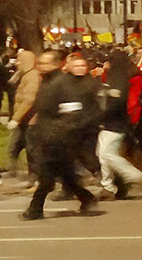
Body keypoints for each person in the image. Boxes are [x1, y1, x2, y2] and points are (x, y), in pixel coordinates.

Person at [21, 52, 98, 220]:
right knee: (65, 175)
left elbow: (72, 111)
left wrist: (59, 131)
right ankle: (86, 197)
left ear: (56, 65)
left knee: (46, 175)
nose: (41, 66)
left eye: (45, 63)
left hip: (59, 138)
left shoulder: (62, 83)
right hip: (47, 136)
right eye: (40, 63)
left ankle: (35, 209)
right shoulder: (47, 82)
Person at [96, 51, 142, 201]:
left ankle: (131, 175)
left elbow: (122, 100)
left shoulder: (120, 77)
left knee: (106, 153)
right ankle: (109, 186)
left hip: (116, 120)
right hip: (117, 119)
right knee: (104, 153)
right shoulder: (124, 75)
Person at [5, 50, 39, 179]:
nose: (17, 63)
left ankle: (34, 176)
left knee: (31, 149)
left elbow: (29, 100)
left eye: (20, 60)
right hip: (24, 119)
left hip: (29, 119)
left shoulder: (32, 76)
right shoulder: (24, 74)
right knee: (15, 146)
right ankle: (13, 170)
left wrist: (16, 118)